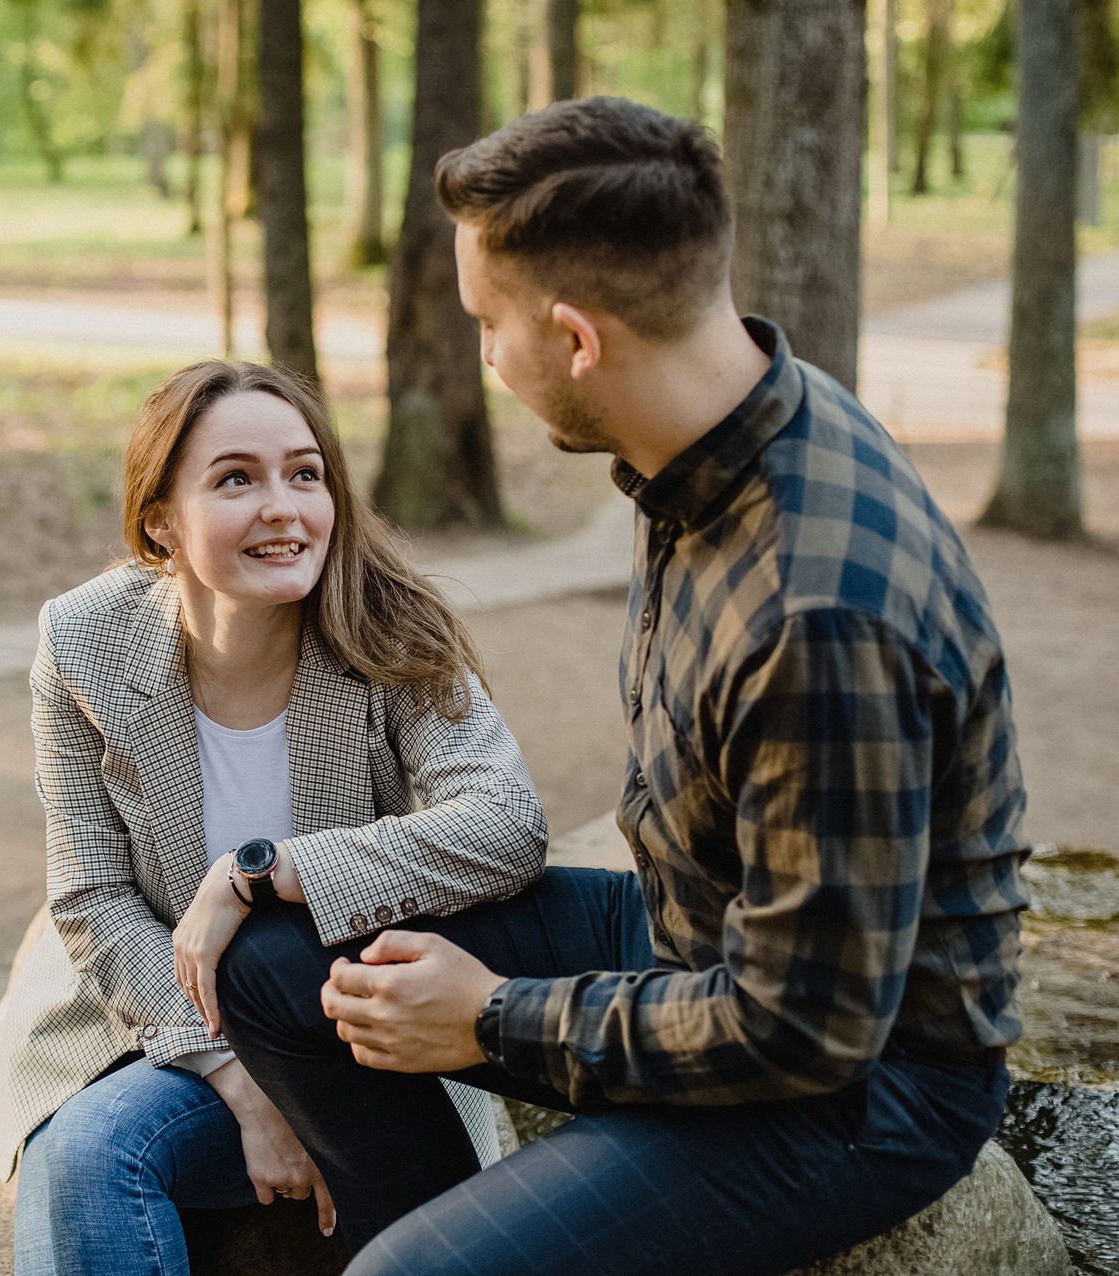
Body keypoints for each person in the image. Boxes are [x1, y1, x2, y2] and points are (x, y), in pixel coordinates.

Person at [216, 96, 1030, 1276]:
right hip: (692, 935)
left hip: (861, 1082)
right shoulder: (711, 436)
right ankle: (466, 1227)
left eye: (489, 324)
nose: (486, 356)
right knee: (279, 959)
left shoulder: (812, 614)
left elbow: (806, 1026)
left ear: (577, 338)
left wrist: (492, 1015)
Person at [0, 359, 550, 1275]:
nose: (283, 506)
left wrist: (263, 869)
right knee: (85, 1157)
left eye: (305, 472)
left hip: (342, 1021)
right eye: (236, 478)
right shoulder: (82, 642)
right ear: (160, 519)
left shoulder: (390, 628)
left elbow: (505, 823)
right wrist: (239, 1079)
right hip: (153, 1014)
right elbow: (93, 896)